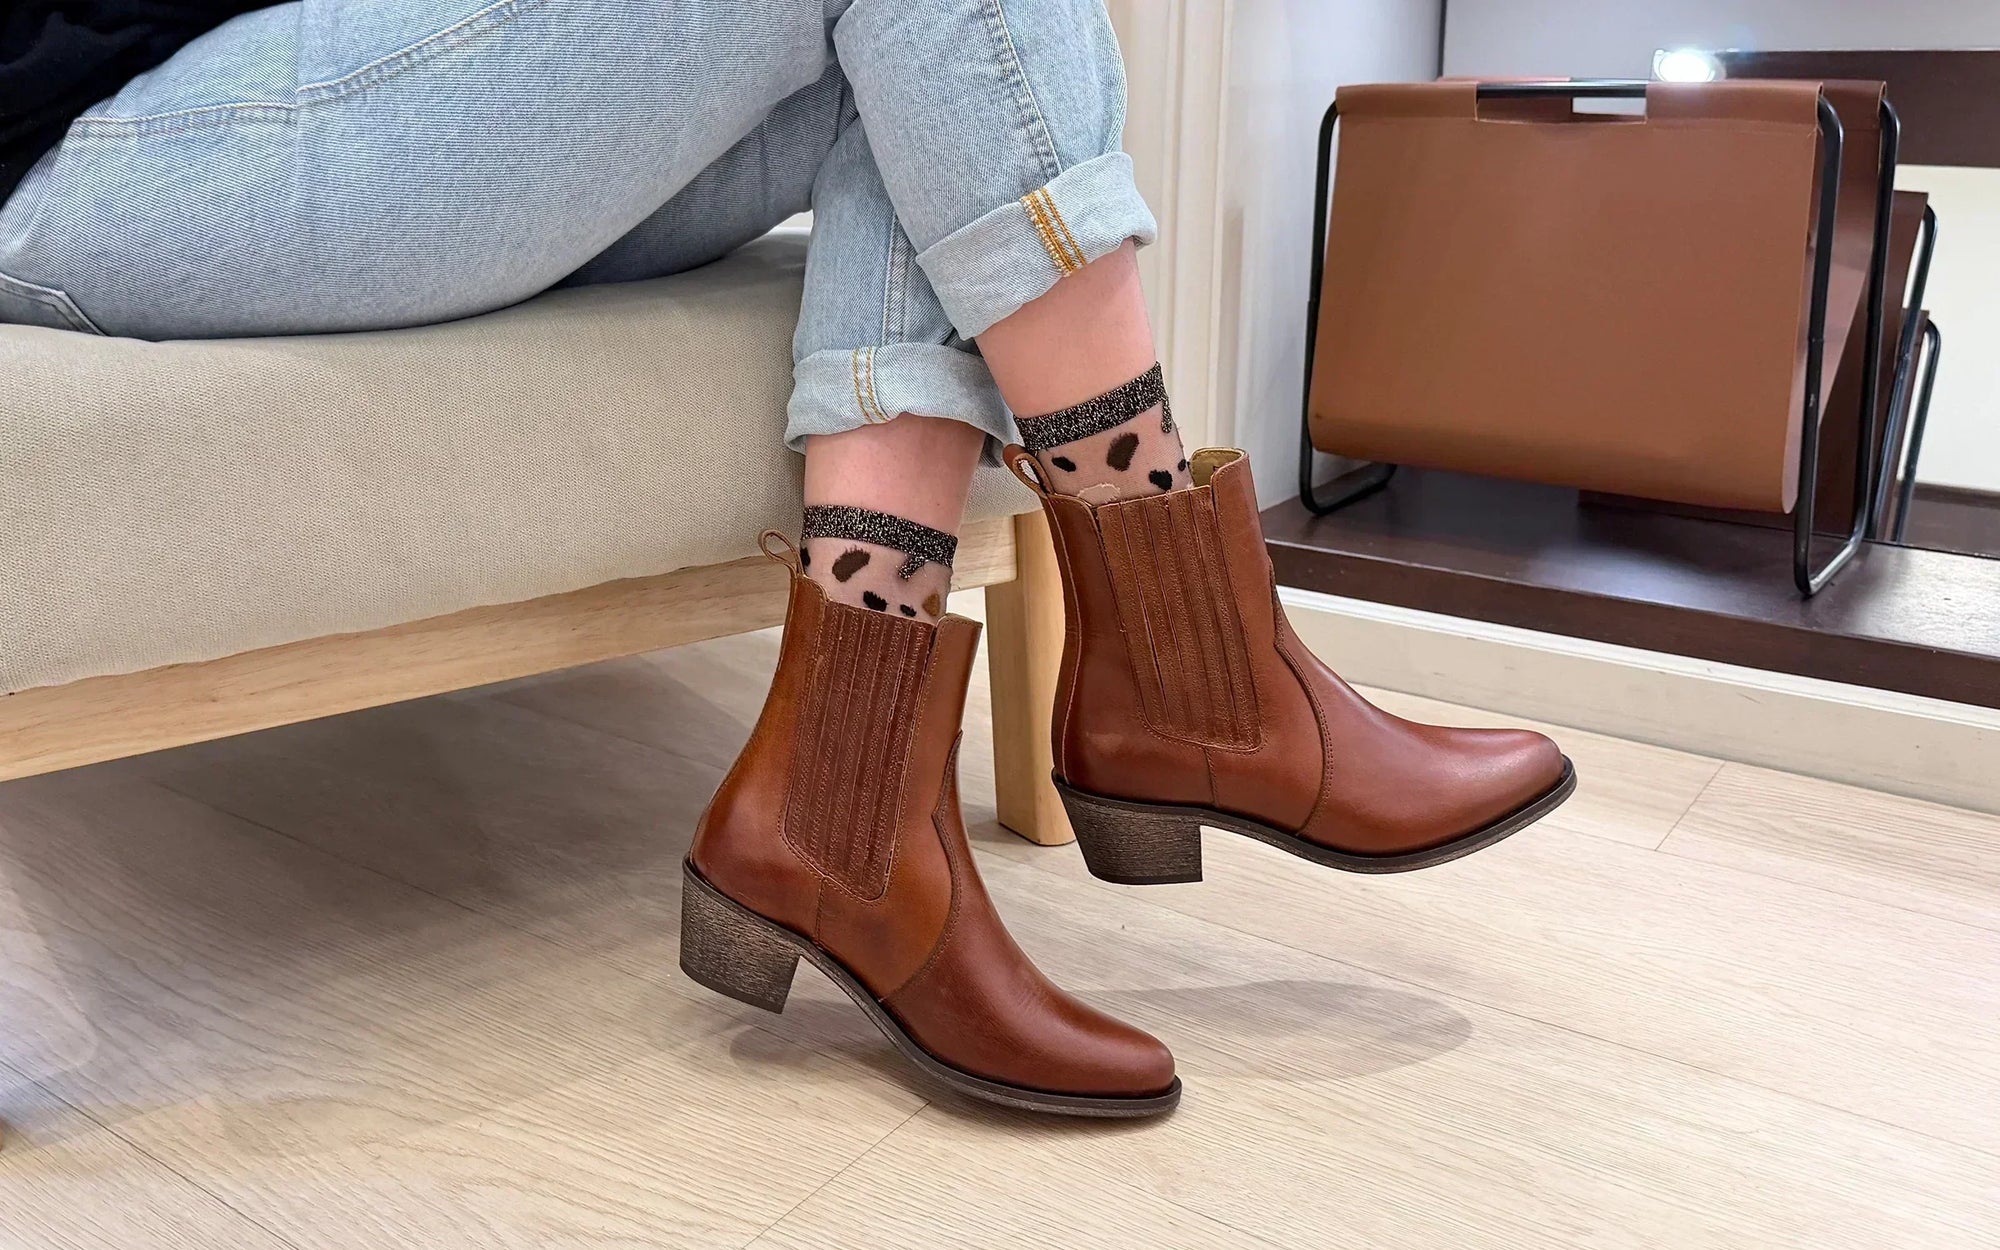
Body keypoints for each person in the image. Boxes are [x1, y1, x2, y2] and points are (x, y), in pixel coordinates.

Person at [0, 0, 1574, 1118]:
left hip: (336, 57)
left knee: (931, 80)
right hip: (98, 147)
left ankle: (846, 801)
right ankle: (1185, 668)